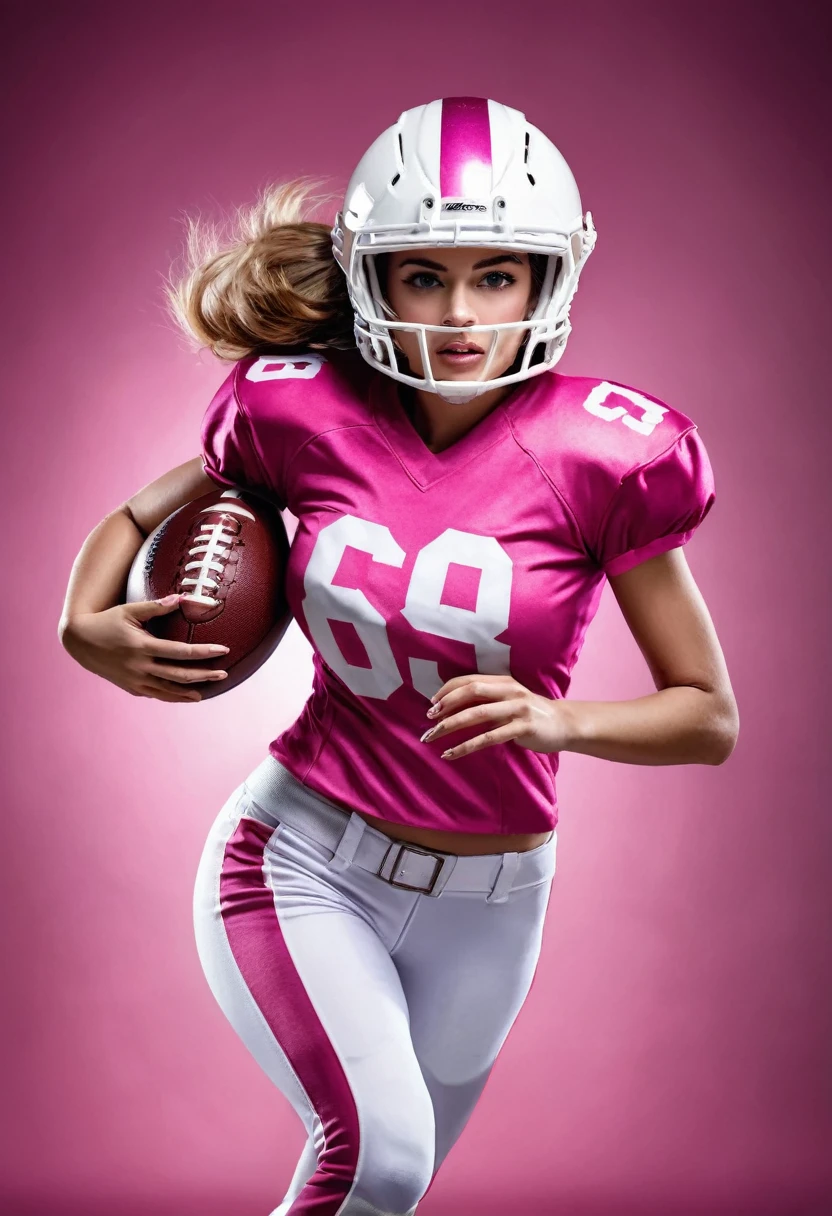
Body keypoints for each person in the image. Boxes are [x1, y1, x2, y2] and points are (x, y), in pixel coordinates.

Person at [58, 96, 739, 1216]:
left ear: (549, 275)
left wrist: (555, 717)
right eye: (424, 275)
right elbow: (138, 519)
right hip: (304, 854)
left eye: (497, 274)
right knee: (378, 1159)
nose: (461, 312)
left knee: (383, 1196)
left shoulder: (608, 453)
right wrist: (81, 622)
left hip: (500, 901)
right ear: (373, 275)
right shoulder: (299, 410)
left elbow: (706, 715)